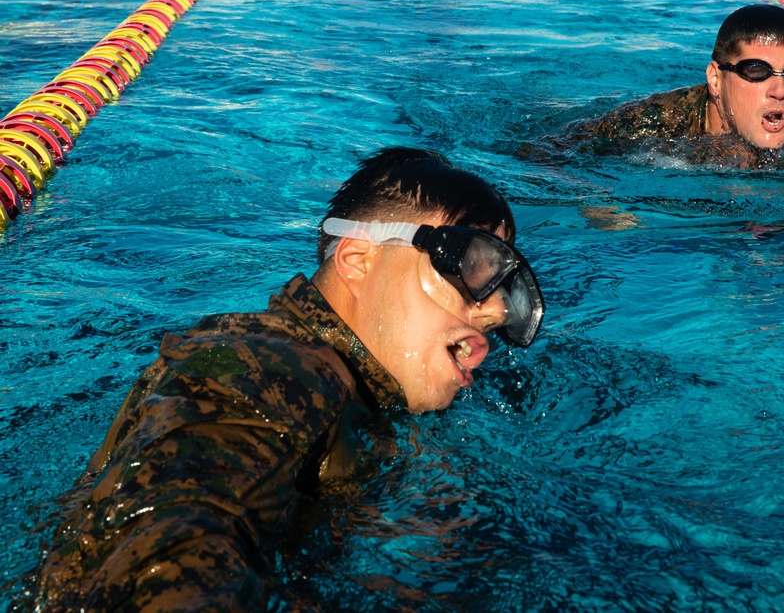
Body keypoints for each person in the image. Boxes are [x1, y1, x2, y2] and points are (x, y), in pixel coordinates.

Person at [16, 147, 545, 611]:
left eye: (503, 290)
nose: (495, 311)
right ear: (357, 259)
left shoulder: (334, 382)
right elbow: (170, 540)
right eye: (468, 265)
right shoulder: (265, 364)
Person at [524, 3, 784, 169]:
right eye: (757, 71)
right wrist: (598, 199)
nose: (780, 91)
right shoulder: (658, 120)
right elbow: (541, 154)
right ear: (716, 79)